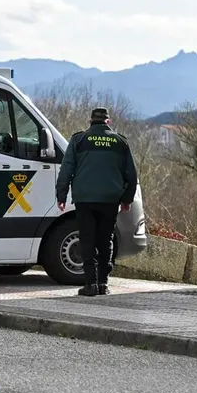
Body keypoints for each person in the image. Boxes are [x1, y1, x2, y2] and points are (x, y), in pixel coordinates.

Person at [55, 107, 138, 296]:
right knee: (105, 240)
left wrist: (61, 196)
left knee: (87, 239)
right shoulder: (120, 142)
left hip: (85, 199)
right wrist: (126, 199)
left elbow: (66, 170)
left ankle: (90, 285)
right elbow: (131, 176)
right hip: (110, 199)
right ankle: (103, 284)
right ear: (108, 122)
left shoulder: (79, 140)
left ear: (90, 121)